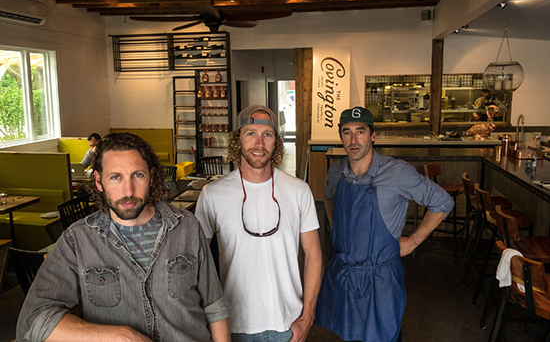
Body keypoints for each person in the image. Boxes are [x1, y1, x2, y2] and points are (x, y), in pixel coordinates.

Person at [17, 132, 231, 342]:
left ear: (152, 176)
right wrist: (119, 336)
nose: (128, 191)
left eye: (137, 175)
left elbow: (214, 306)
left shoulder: (187, 226)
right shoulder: (77, 240)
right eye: (116, 177)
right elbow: (34, 320)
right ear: (99, 181)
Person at [314, 106, 454, 342]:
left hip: (381, 279)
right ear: (341, 137)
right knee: (350, 334)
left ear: (373, 136)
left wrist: (412, 241)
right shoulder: (336, 171)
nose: (354, 139)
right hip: (345, 274)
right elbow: (329, 198)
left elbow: (442, 202)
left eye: (361, 131)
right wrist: (337, 229)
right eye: (347, 132)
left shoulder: (397, 172)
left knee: (385, 335)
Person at [195, 105, 322, 342]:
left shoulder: (299, 191)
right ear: (238, 140)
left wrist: (308, 316)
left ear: (276, 142)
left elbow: (313, 253)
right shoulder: (213, 194)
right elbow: (196, 260)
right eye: (250, 133)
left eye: (267, 135)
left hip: (287, 323)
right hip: (232, 324)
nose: (259, 143)